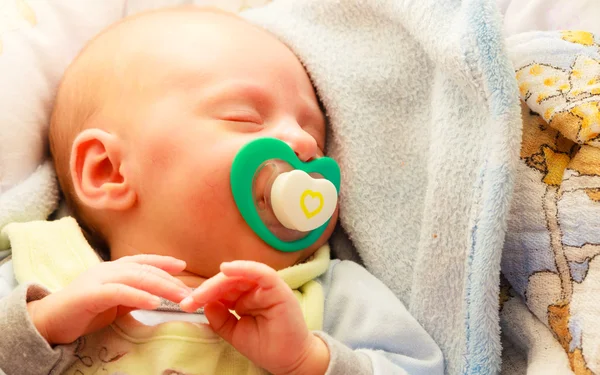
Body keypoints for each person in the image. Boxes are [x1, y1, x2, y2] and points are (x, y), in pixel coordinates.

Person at [0, 7, 443, 375]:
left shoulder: (328, 295)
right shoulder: (43, 274)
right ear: (108, 171)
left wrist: (310, 361)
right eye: (245, 118)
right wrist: (37, 326)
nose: (305, 147)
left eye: (316, 134)